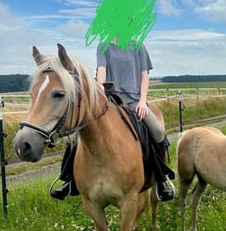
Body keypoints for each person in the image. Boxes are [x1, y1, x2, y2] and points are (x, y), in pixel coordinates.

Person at [49, 37, 176, 202]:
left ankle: (161, 178)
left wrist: (142, 101)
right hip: (110, 100)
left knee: (157, 132)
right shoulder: (104, 46)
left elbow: (144, 76)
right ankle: (69, 180)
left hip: (133, 101)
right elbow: (101, 71)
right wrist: (100, 89)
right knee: (79, 131)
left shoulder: (139, 46)